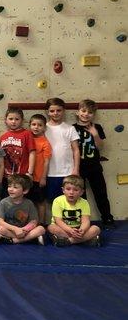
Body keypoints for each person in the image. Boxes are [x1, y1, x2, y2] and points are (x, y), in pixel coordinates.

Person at [73, 99, 115, 229]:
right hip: (79, 167)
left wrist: (95, 134)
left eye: (90, 112)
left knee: (100, 193)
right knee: (81, 196)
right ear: (77, 112)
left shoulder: (97, 127)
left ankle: (107, 217)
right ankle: (83, 221)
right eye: (83, 111)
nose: (86, 114)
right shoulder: (72, 128)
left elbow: (100, 147)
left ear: (94, 114)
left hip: (94, 166)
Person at [48, 175, 101, 246]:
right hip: (63, 228)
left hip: (78, 229)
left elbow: (85, 221)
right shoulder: (57, 201)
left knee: (96, 229)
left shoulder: (84, 202)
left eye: (75, 190)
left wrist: (82, 230)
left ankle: (69, 241)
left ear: (81, 192)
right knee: (51, 228)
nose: (71, 192)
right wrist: (70, 230)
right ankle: (84, 240)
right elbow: (58, 221)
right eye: (68, 189)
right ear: (63, 190)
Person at [45, 97, 80, 201]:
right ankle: (56, 218)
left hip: (68, 173)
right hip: (49, 172)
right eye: (52, 111)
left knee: (70, 201)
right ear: (47, 112)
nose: (55, 113)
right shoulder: (43, 128)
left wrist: (76, 169)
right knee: (54, 202)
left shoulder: (70, 128)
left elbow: (76, 150)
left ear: (63, 111)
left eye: (59, 110)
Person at [0, 174, 45, 245]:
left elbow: (34, 221)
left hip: (25, 231)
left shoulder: (29, 203)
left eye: (15, 187)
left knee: (41, 229)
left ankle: (16, 240)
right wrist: (15, 229)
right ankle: (27, 238)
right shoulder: (3, 202)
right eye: (9, 186)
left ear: (25, 191)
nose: (11, 189)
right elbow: (0, 221)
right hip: (10, 230)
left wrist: (24, 230)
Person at [0, 107, 36, 196]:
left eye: (17, 119)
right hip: (7, 177)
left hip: (22, 176)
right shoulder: (3, 137)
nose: (13, 121)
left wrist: (30, 172)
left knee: (23, 202)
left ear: (22, 120)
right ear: (6, 120)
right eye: (11, 119)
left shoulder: (27, 134)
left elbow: (32, 153)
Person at [28, 114, 52, 225]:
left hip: (38, 178)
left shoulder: (45, 143)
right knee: (28, 202)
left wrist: (43, 178)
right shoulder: (27, 139)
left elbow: (47, 162)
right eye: (33, 124)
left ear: (44, 128)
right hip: (28, 178)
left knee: (40, 202)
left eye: (39, 125)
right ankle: (29, 223)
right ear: (29, 125)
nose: (36, 127)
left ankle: (41, 223)